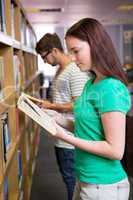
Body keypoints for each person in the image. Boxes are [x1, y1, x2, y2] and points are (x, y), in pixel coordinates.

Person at [50, 18, 131, 200]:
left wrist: (66, 138)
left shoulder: (111, 88)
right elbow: (86, 127)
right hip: (85, 178)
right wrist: (56, 118)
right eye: (70, 52)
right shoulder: (90, 84)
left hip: (104, 186)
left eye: (76, 51)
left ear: (95, 45)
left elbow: (115, 150)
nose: (71, 58)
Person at [35, 33, 89, 200]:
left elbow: (79, 106)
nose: (44, 61)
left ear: (55, 50)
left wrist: (52, 106)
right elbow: (61, 100)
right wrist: (46, 104)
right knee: (68, 180)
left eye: (44, 57)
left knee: (72, 181)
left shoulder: (74, 71)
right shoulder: (61, 71)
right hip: (60, 134)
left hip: (71, 138)